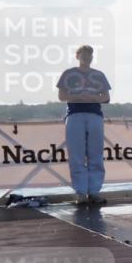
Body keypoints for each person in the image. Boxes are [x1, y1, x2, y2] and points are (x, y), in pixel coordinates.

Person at [56, 45, 111, 206]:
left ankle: (94, 191)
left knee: (96, 154)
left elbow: (106, 97)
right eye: (84, 54)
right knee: (76, 155)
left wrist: (92, 98)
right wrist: (80, 96)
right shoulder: (68, 74)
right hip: (74, 115)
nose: (87, 57)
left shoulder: (99, 75)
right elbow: (61, 96)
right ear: (77, 56)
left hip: (95, 115)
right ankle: (80, 192)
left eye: (90, 55)